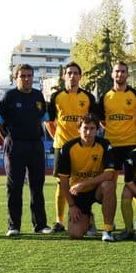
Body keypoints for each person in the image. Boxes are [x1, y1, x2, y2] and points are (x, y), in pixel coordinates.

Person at [0, 63, 53, 237]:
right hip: (15, 145)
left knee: (37, 185)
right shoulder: (9, 96)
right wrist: (7, 139)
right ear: (15, 78)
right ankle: (14, 226)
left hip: (35, 145)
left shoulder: (38, 95)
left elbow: (44, 119)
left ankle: (40, 225)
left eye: (29, 76)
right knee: (15, 186)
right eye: (22, 76)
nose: (26, 79)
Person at [46, 61, 97, 232]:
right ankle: (59, 221)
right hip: (61, 146)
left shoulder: (88, 97)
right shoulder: (56, 97)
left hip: (83, 147)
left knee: (84, 183)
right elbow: (49, 122)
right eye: (69, 73)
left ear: (80, 77)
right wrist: (57, 138)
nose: (72, 76)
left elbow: (93, 122)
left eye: (75, 73)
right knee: (61, 184)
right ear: (64, 76)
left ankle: (88, 218)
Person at [54, 113, 117, 242]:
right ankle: (89, 219)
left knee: (109, 185)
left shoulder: (105, 145)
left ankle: (108, 230)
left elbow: (109, 174)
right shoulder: (68, 148)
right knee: (75, 234)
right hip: (78, 194)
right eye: (85, 128)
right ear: (79, 129)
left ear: (97, 129)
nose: (88, 132)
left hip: (96, 190)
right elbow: (63, 181)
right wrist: (72, 205)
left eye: (92, 128)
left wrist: (84, 183)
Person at [99, 61, 136, 232]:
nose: (120, 74)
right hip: (111, 145)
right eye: (117, 71)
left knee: (135, 182)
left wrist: (129, 132)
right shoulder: (105, 96)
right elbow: (102, 121)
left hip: (131, 144)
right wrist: (114, 130)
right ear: (112, 74)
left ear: (127, 74)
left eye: (123, 71)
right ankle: (110, 220)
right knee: (109, 186)